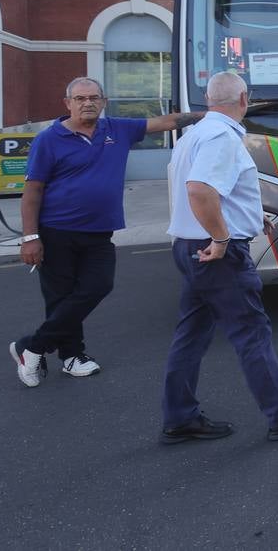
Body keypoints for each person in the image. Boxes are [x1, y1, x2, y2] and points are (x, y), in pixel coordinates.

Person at [159, 72, 278, 444]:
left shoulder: (194, 135)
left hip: (189, 248)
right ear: (243, 99)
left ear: (209, 100)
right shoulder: (222, 136)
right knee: (251, 332)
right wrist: (222, 237)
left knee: (190, 334)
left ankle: (179, 416)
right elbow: (201, 191)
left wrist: (253, 217)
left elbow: (215, 192)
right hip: (215, 253)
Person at [10, 77, 203, 387]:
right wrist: (30, 236)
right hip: (56, 231)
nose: (87, 103)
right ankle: (73, 357)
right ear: (68, 103)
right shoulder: (49, 139)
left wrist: (211, 114)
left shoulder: (117, 128)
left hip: (99, 232)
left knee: (97, 286)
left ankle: (31, 346)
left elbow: (167, 121)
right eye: (80, 98)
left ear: (104, 101)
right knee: (60, 299)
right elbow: (33, 190)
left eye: (94, 97)